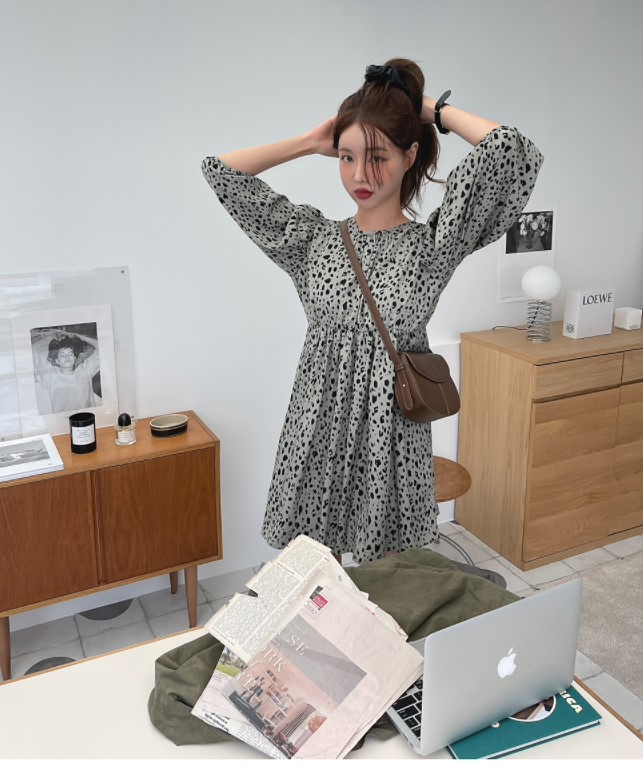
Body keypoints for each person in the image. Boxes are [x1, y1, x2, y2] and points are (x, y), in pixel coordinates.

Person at [202, 58, 543, 564]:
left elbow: (512, 150)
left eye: (378, 156)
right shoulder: (313, 240)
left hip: (391, 434)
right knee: (316, 576)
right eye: (347, 157)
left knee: (388, 576)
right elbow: (221, 172)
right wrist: (309, 142)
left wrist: (430, 110)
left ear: (410, 156)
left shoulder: (432, 246)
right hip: (316, 426)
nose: (360, 174)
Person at [33, 330, 101, 414]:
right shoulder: (50, 375)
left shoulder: (85, 370)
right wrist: (52, 337)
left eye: (70, 354)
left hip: (85, 418)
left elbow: (101, 346)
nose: (67, 357)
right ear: (57, 361)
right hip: (62, 419)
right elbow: (34, 349)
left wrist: (79, 336)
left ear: (75, 358)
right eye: (63, 355)